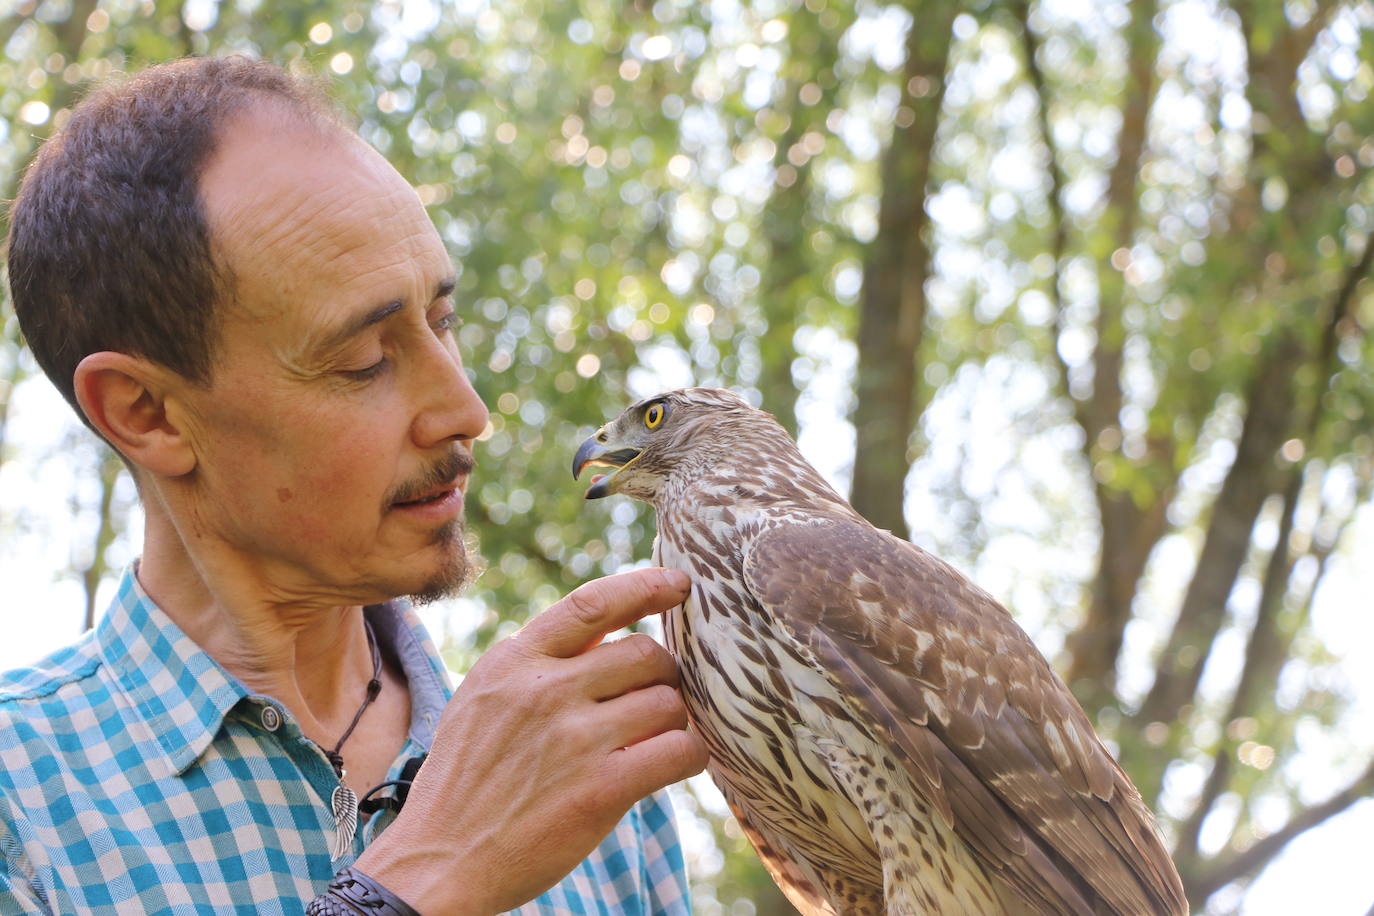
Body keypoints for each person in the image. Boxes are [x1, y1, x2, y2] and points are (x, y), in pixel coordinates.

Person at [1, 56, 708, 914]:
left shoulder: (591, 780)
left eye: (443, 323)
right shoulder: (22, 806)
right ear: (147, 412)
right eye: (364, 361)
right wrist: (416, 883)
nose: (465, 410)